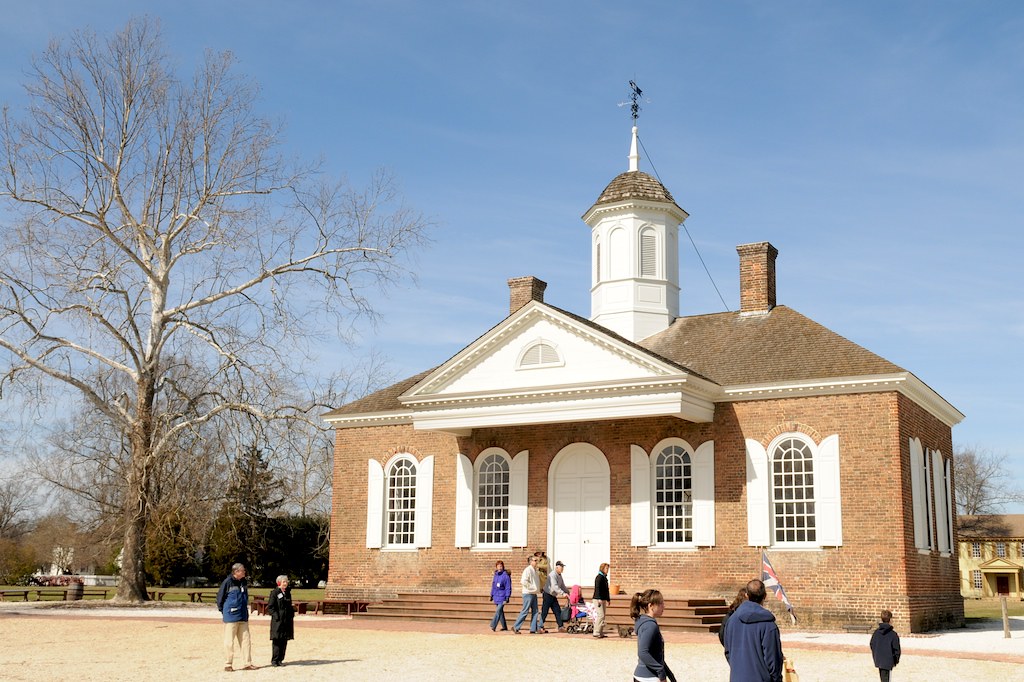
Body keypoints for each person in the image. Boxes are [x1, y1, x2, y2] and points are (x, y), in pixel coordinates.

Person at [722, 578, 783, 682]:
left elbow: (728, 651)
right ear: (765, 596)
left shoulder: (731, 620)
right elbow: (773, 660)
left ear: (747, 595)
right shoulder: (769, 626)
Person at [216, 563, 255, 672]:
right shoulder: (227, 582)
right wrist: (223, 611)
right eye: (242, 570)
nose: (244, 572)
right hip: (231, 616)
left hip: (242, 615)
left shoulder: (243, 582)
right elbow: (220, 598)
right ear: (236, 572)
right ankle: (228, 664)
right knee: (229, 642)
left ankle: (247, 663)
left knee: (246, 640)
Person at [631, 589, 676, 682]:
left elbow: (656, 655)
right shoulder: (650, 625)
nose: (664, 606)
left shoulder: (644, 622)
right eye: (661, 603)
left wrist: (670, 675)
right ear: (651, 606)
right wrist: (661, 672)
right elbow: (643, 652)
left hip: (643, 676)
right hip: (649, 678)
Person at [267, 574, 294, 667]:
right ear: (279, 583)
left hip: (286, 621)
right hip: (278, 621)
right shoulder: (274, 593)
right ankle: (274, 660)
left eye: (286, 581)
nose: (285, 583)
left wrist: (291, 614)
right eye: (284, 582)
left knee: (284, 640)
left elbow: (289, 605)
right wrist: (276, 616)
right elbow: (270, 607)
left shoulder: (287, 593)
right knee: (277, 640)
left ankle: (280, 660)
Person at [512, 554, 544, 634]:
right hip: (528, 593)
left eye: (537, 560)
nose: (537, 562)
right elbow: (523, 581)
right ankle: (516, 627)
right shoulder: (527, 570)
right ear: (530, 562)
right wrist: (532, 588)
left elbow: (536, 582)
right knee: (525, 610)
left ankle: (533, 628)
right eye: (535, 560)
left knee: (535, 611)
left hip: (534, 593)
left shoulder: (535, 571)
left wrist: (538, 588)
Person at [869, 609, 901, 682]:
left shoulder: (876, 633)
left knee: (884, 677)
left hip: (879, 659)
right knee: (886, 678)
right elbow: (897, 649)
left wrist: (876, 654)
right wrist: (896, 660)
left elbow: (872, 644)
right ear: (890, 620)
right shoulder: (893, 634)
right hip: (889, 660)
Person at [718, 587, 749, 662]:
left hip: (734, 652)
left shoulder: (730, 615)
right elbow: (722, 634)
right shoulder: (731, 616)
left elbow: (722, 635)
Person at [540, 560, 570, 632]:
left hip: (553, 596)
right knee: (545, 611)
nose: (562, 569)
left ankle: (560, 626)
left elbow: (562, 585)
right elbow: (554, 586)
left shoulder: (559, 575)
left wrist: (568, 592)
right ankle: (540, 626)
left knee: (557, 611)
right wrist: (562, 593)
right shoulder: (552, 575)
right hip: (547, 594)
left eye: (563, 567)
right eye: (561, 567)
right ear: (557, 567)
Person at [489, 560, 512, 631]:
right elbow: (493, 586)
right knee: (500, 612)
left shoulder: (506, 576)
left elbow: (508, 587)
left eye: (501, 566)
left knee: (498, 610)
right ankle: (504, 627)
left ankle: (493, 625)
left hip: (502, 596)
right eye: (498, 566)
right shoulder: (495, 575)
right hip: (496, 595)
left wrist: (507, 596)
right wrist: (491, 594)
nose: (500, 567)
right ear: (496, 567)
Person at [592, 562, 611, 638]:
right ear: (602, 569)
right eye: (606, 568)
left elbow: (606, 590)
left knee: (603, 616)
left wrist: (608, 599)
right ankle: (596, 631)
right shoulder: (599, 577)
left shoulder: (605, 578)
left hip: (603, 599)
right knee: (601, 615)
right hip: (598, 599)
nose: (607, 570)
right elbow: (598, 589)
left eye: (608, 569)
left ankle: (600, 632)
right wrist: (599, 598)